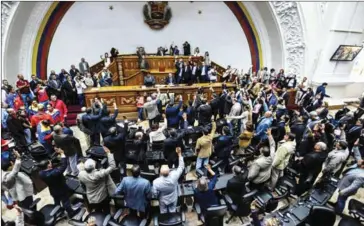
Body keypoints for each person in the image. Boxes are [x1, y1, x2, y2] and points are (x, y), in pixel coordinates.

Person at [38, 148, 78, 217]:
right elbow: (63, 165)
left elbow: (51, 167)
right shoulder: (54, 173)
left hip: (53, 190)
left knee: (56, 201)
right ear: (48, 166)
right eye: (50, 163)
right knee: (66, 201)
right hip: (61, 189)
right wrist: (62, 154)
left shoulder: (41, 173)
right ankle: (71, 213)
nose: (51, 163)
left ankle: (59, 212)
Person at [78, 146, 116, 214]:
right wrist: (109, 153)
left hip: (92, 199)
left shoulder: (81, 174)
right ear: (93, 167)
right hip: (103, 198)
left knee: (97, 212)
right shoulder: (99, 174)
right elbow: (112, 167)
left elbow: (82, 185)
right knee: (106, 212)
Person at [152, 147, 185, 213]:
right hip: (173, 198)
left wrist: (158, 195)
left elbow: (155, 194)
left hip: (163, 200)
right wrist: (179, 154)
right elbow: (181, 166)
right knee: (172, 211)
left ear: (160, 173)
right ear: (169, 171)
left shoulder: (156, 182)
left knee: (163, 212)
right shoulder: (174, 175)